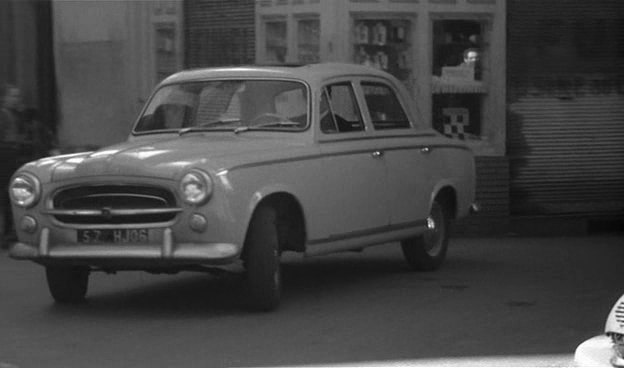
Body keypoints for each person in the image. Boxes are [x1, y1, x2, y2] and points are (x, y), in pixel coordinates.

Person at [0, 84, 25, 248]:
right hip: (5, 156)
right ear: (4, 98)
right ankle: (8, 232)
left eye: (18, 96)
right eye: (13, 96)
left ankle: (10, 231)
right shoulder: (3, 115)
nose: (17, 100)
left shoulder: (15, 115)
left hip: (11, 154)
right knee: (7, 194)